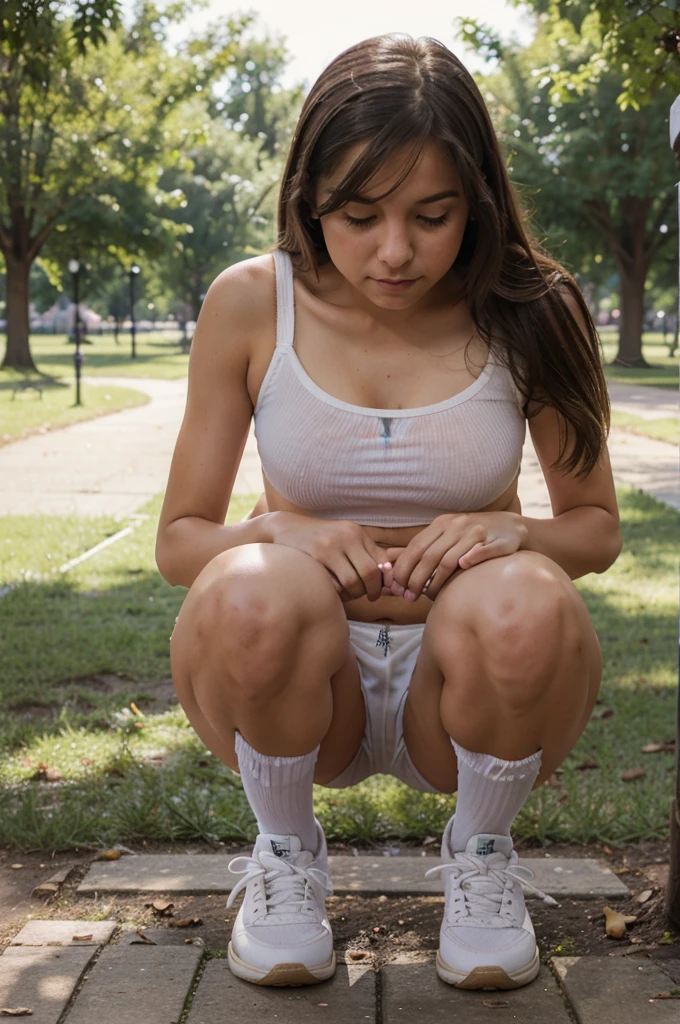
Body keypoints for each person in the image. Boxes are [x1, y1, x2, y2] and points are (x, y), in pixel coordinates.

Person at [155, 33, 621, 992]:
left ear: (477, 202)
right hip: (305, 682)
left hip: (463, 687)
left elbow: (596, 528)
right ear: (309, 199)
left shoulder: (536, 307)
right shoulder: (251, 304)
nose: (396, 251)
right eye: (359, 216)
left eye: (432, 215)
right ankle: (286, 860)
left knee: (530, 597)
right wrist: (276, 530)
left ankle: (482, 862)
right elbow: (180, 543)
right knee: (250, 585)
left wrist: (519, 532)